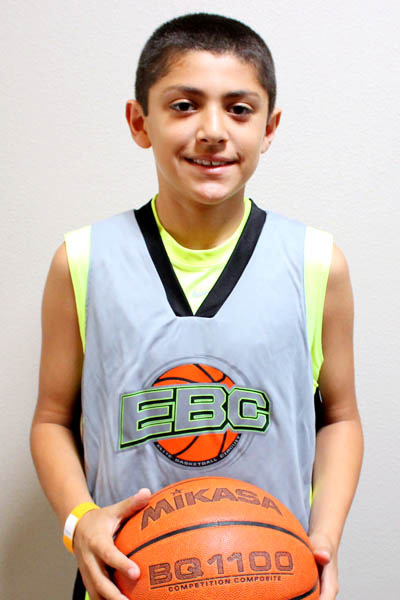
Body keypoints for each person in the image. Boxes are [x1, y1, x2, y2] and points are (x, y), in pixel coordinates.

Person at [30, 12, 363, 600]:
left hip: (271, 574)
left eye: (239, 109)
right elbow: (52, 420)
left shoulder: (317, 262)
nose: (213, 130)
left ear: (269, 127)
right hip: (129, 579)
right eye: (184, 106)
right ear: (140, 122)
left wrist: (325, 537)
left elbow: (339, 418)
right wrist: (79, 521)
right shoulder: (82, 260)